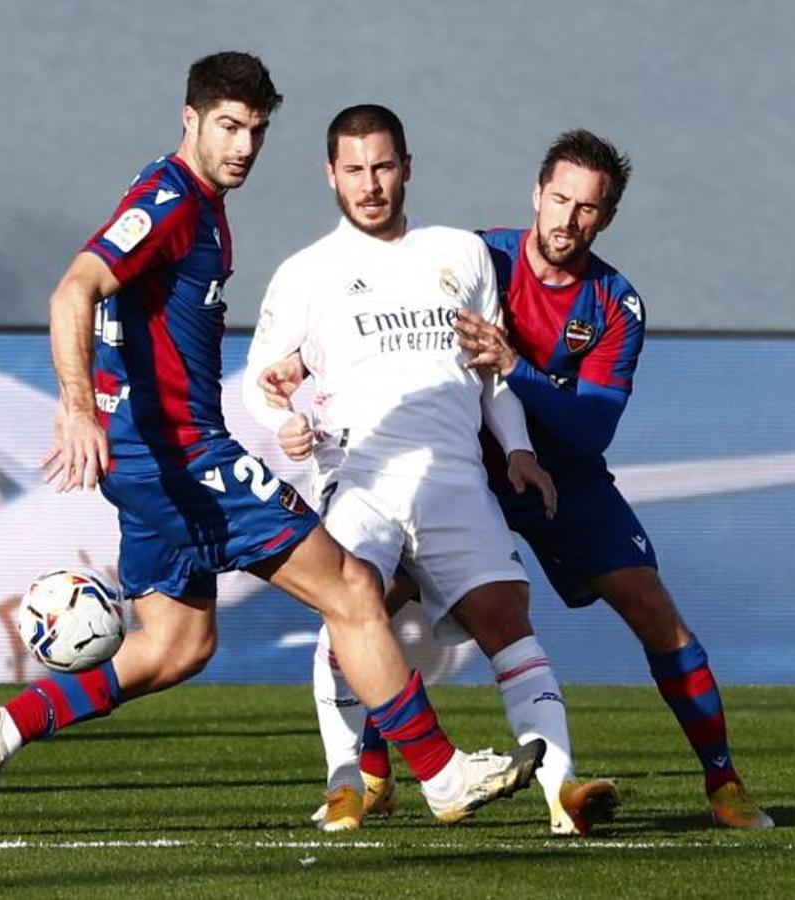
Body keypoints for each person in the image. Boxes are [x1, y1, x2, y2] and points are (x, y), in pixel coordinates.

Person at [0, 53, 542, 837]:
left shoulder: (190, 201)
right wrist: (79, 406)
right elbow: (73, 289)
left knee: (176, 645)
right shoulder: (172, 200)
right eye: (228, 125)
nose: (243, 146)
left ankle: (6, 725)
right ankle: (440, 773)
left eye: (256, 130)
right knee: (354, 590)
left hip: (153, 463)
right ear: (189, 118)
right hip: (186, 456)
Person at [261, 129, 774, 830]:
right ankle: (369, 775)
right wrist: (299, 378)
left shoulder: (615, 304)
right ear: (536, 193)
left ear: (607, 217)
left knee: (659, 618)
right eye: (558, 198)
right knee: (366, 602)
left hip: (559, 476)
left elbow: (591, 428)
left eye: (587, 208)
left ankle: (723, 782)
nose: (567, 219)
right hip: (460, 470)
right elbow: (368, 330)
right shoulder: (474, 255)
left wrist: (516, 371)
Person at [243, 104, 618, 836]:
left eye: (383, 166)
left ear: (407, 167)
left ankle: (562, 794)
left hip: (453, 476)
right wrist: (280, 421)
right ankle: (346, 782)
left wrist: (517, 450)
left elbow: (490, 369)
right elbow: (262, 374)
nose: (370, 184)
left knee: (508, 617)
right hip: (360, 474)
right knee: (348, 614)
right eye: (354, 170)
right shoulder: (305, 274)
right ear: (331, 176)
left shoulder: (460, 254)